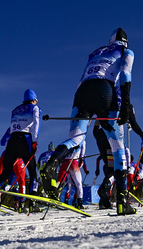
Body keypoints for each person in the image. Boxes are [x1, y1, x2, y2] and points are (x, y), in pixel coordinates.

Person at [40, 28, 136, 215]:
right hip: (105, 90)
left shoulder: (95, 53)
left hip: (82, 93)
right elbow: (125, 73)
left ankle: (51, 165)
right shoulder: (126, 51)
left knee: (76, 139)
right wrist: (126, 102)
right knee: (118, 150)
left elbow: (81, 79)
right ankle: (123, 202)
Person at [0, 89, 40, 213]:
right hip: (25, 140)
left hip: (12, 142)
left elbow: (5, 137)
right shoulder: (34, 108)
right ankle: (33, 202)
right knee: (33, 173)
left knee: (5, 174)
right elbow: (37, 123)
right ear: (33, 100)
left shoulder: (15, 110)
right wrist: (35, 141)